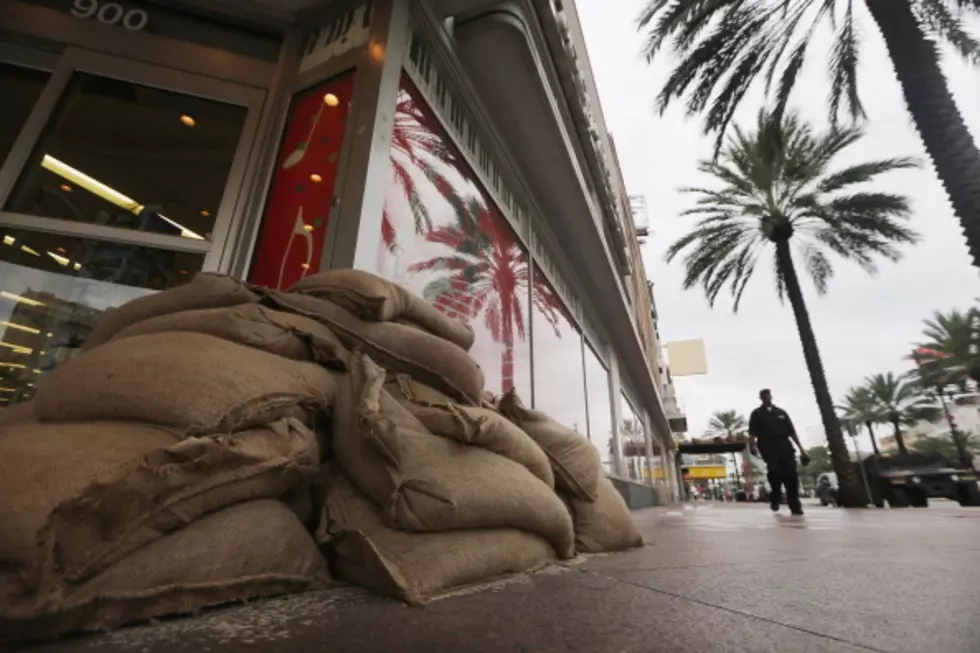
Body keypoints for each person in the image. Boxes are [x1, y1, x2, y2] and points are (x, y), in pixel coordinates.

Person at [748, 389, 810, 516]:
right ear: (761, 398)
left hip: (785, 447)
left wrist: (801, 449)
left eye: (768, 395)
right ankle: (775, 497)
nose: (767, 397)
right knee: (775, 473)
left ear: (771, 396)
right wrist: (752, 445)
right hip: (768, 448)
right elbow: (752, 432)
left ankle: (795, 506)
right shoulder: (757, 414)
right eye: (764, 396)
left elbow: (791, 432)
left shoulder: (781, 413)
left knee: (791, 476)